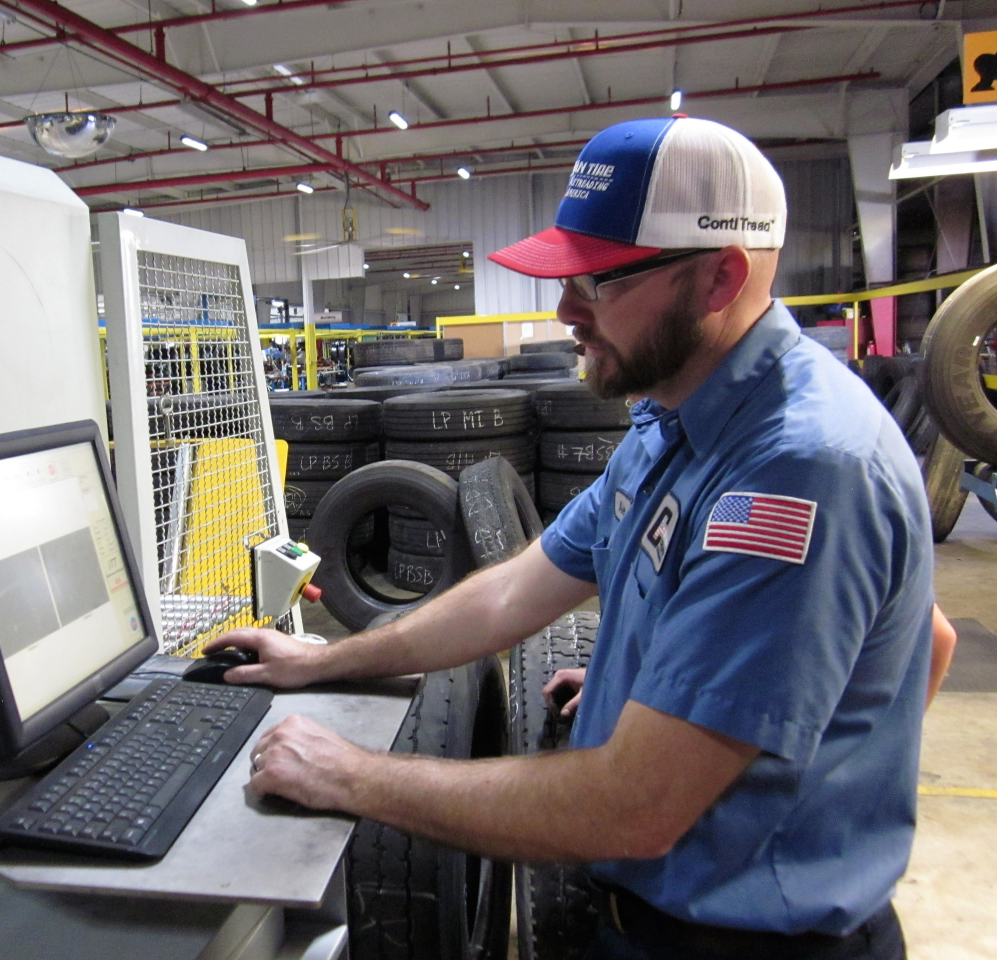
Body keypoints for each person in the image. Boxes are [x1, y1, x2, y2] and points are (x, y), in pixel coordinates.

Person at [210, 116, 935, 960]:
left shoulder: (798, 471)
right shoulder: (670, 419)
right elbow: (520, 588)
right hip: (644, 920)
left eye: (598, 282)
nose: (563, 311)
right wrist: (323, 660)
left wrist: (349, 776)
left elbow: (634, 808)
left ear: (718, 278)